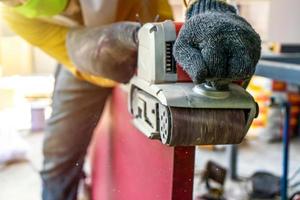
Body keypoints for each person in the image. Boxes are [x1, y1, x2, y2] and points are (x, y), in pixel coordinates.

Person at [0, 0, 261, 199]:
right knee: (59, 152)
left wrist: (206, 6)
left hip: (149, 28)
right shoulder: (16, 16)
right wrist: (113, 55)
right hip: (86, 54)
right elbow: (71, 50)